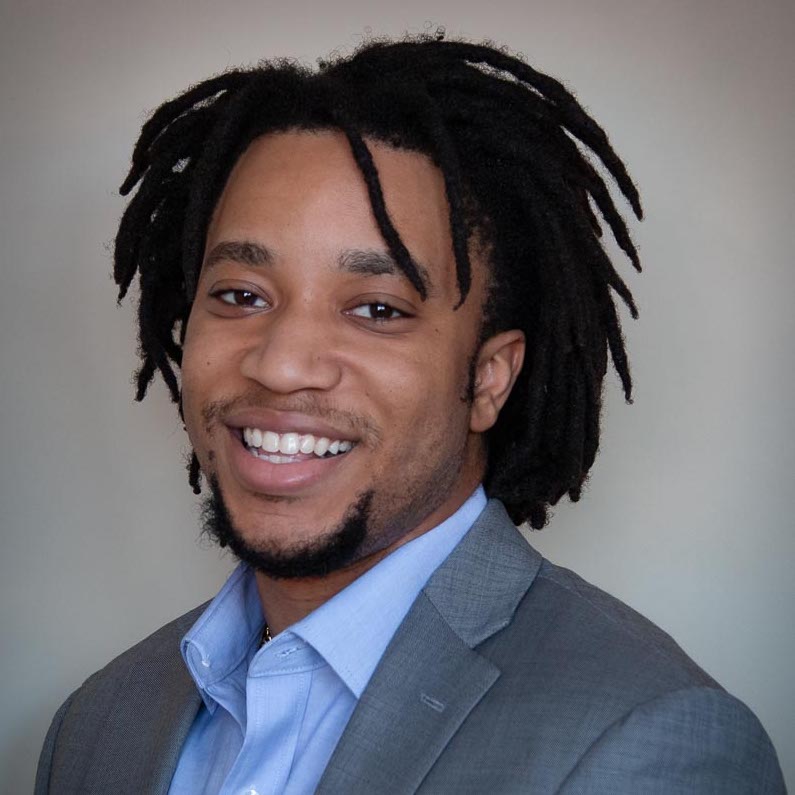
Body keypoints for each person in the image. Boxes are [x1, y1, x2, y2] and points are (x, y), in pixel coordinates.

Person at [36, 34, 785, 794]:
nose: (281, 362)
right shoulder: (99, 723)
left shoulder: (648, 740)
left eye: (375, 308)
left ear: (489, 380)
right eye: (240, 295)